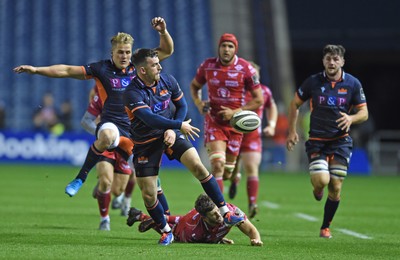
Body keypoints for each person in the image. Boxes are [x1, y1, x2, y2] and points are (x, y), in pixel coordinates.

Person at [14, 17, 174, 197]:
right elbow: (66, 70)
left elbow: (167, 50)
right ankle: (80, 178)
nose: (124, 56)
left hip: (135, 129)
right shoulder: (101, 69)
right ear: (112, 52)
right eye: (120, 52)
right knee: (107, 136)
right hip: (111, 122)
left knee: (145, 186)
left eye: (127, 52)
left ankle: (164, 222)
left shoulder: (138, 65)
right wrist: (36, 70)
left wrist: (162, 31)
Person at [123, 48, 245, 246]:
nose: (159, 66)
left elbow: (182, 106)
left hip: (170, 133)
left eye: (158, 62)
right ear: (142, 70)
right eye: (154, 64)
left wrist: (173, 128)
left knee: (198, 166)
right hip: (145, 143)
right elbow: (150, 119)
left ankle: (225, 212)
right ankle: (166, 231)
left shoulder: (168, 80)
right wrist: (177, 125)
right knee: (148, 194)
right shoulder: (131, 92)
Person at [286, 44, 368, 238]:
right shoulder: (313, 82)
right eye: (328, 59)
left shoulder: (353, 84)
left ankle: (325, 227)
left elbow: (364, 113)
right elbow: (294, 104)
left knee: (336, 186)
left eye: (335, 59)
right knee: (323, 180)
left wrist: (351, 118)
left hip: (340, 141)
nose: (331, 62)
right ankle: (317, 188)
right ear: (323, 61)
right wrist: (291, 131)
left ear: (342, 62)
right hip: (317, 140)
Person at [82, 84, 171, 230]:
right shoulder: (102, 94)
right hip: (109, 141)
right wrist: (101, 133)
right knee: (106, 180)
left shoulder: (136, 97)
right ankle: (105, 219)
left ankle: (118, 195)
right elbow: (88, 117)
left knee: (117, 190)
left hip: (127, 142)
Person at [189, 33, 264, 192]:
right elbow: (194, 86)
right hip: (214, 121)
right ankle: (221, 211)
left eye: (230, 46)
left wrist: (235, 112)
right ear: (219, 47)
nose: (226, 49)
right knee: (217, 165)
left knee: (227, 173)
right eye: (224, 45)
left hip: (235, 125)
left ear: (235, 49)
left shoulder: (246, 69)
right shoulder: (207, 66)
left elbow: (259, 99)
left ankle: (234, 175)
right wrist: (198, 103)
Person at [228, 61, 278, 219]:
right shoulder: (236, 90)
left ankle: (252, 203)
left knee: (251, 167)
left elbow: (272, 107)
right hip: (233, 134)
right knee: (230, 169)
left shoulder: (264, 91)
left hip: (252, 136)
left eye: (256, 74)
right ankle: (235, 178)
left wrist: (271, 124)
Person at [127, 193, 263, 246]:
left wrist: (256, 239)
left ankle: (139, 215)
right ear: (204, 217)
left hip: (188, 220)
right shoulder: (191, 230)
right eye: (214, 215)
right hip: (183, 226)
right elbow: (203, 239)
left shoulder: (230, 212)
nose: (219, 216)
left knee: (169, 217)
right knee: (171, 230)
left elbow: (250, 228)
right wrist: (217, 239)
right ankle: (149, 218)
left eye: (218, 211)